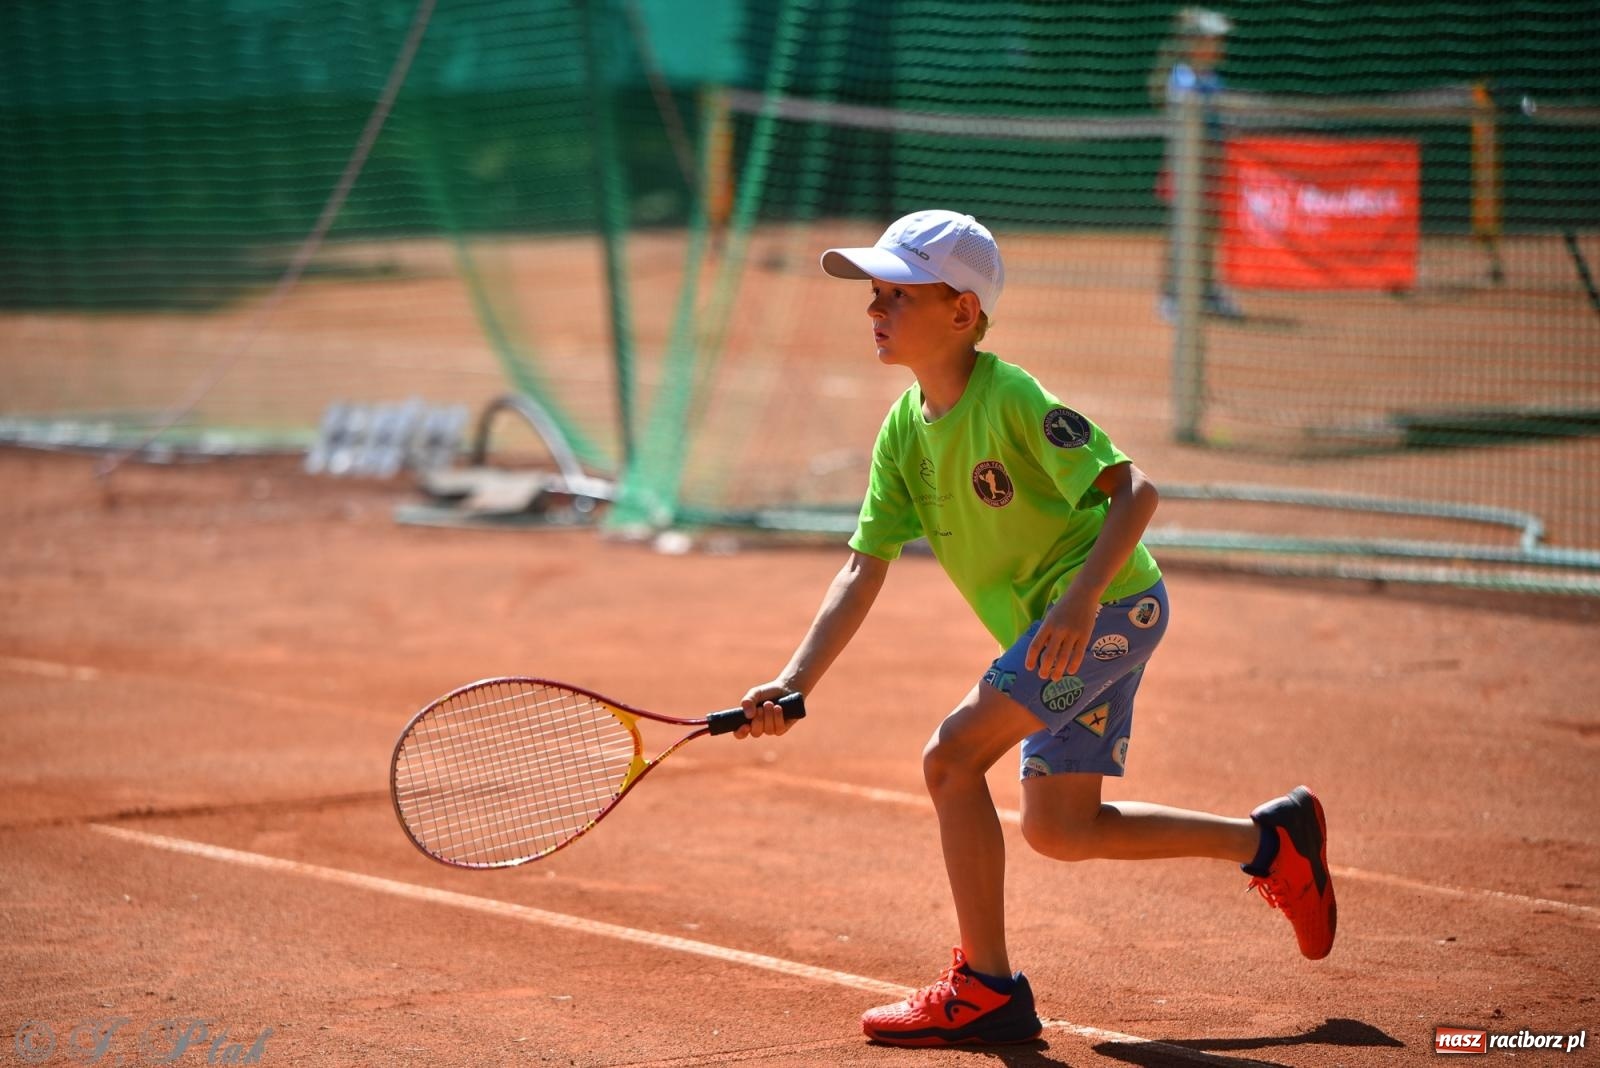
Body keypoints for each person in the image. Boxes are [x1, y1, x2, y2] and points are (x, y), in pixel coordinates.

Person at [735, 209, 1335, 1047]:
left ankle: (987, 988)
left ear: (962, 312)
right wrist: (794, 681)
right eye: (873, 294)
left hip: (1110, 609)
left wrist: (1081, 600)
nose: (875, 310)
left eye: (898, 294)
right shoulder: (903, 435)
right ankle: (1273, 843)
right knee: (1062, 829)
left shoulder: (1011, 397)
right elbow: (862, 566)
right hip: (1071, 631)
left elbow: (1136, 492)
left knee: (951, 758)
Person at [1150, 7, 1244, 320]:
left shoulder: (1213, 79)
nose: (1218, 45)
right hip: (1185, 167)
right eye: (1212, 39)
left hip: (1211, 167)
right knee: (1181, 234)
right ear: (1194, 43)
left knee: (1206, 232)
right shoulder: (1182, 78)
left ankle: (1205, 291)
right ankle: (1171, 297)